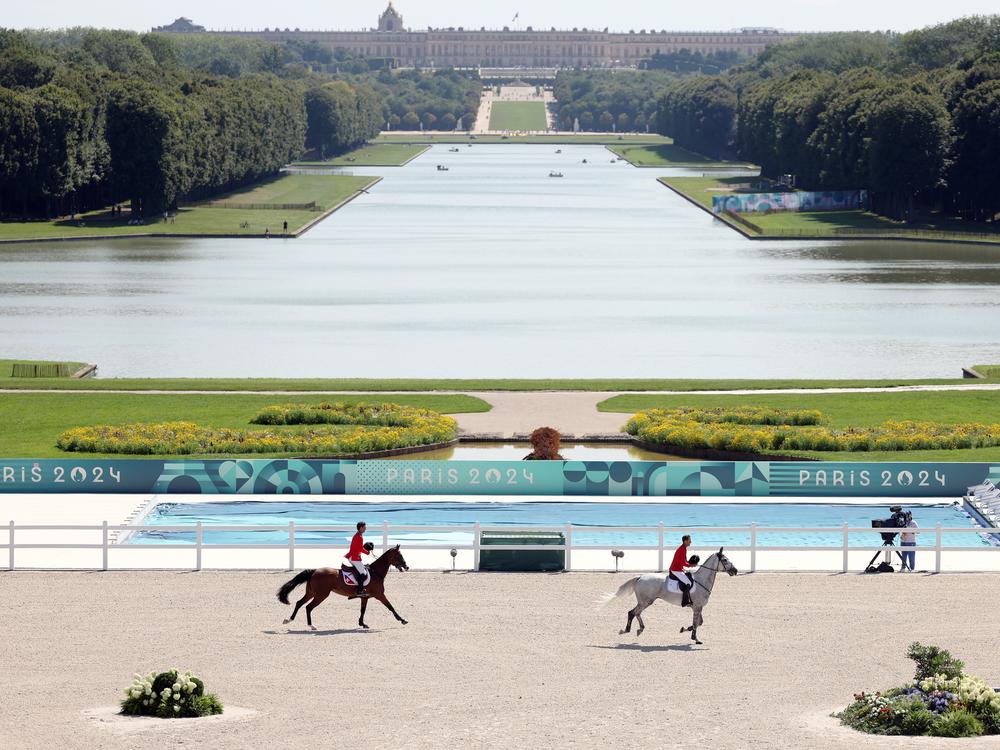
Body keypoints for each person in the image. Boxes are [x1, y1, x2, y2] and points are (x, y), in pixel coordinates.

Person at [669, 535, 699, 607]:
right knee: (688, 582)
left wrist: (690, 563)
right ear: (685, 541)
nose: (690, 542)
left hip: (679, 569)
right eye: (689, 540)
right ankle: (684, 601)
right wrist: (690, 565)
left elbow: (684, 561)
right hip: (675, 570)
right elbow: (682, 562)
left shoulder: (683, 548)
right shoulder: (682, 549)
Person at [345, 521, 369, 596]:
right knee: (363, 573)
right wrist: (367, 552)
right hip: (354, 557)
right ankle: (359, 591)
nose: (365, 528)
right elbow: (360, 548)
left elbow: (359, 548)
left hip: (354, 556)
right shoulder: (359, 537)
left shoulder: (358, 535)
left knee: (361, 570)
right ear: (361, 528)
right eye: (364, 527)